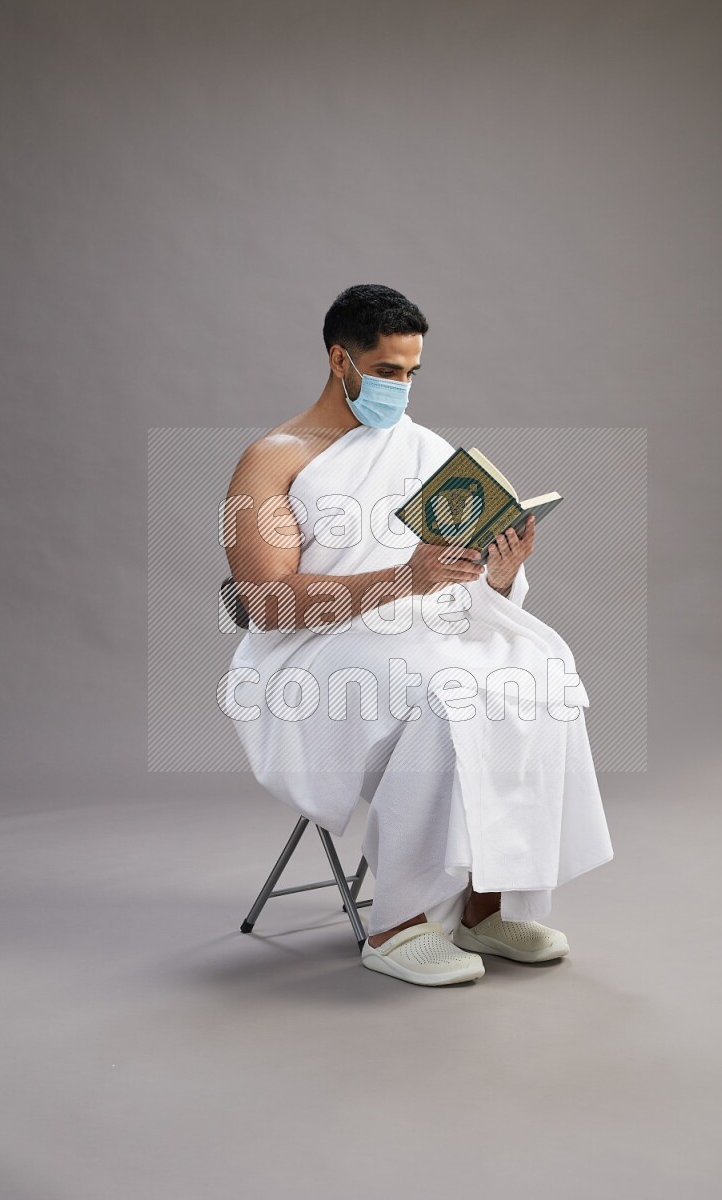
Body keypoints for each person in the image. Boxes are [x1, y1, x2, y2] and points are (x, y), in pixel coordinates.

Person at [221, 283, 614, 987]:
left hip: (420, 630)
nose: (401, 388)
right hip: (310, 654)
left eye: (411, 373)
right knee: (446, 688)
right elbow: (266, 601)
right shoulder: (272, 459)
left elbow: (450, 581)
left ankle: (486, 907)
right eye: (386, 371)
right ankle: (400, 924)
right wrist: (405, 580)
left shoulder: (426, 449)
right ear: (340, 360)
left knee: (537, 667)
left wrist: (497, 574)